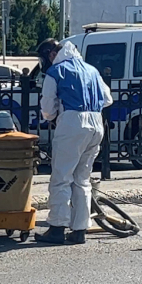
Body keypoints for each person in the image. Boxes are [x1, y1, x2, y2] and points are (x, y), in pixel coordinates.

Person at [34, 39, 113, 245]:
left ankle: (57, 228)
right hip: (96, 123)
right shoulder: (92, 70)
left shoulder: (56, 71)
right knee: (82, 179)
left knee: (61, 177)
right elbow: (107, 99)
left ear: (52, 54)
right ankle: (79, 230)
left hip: (72, 122)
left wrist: (54, 116)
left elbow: (48, 108)